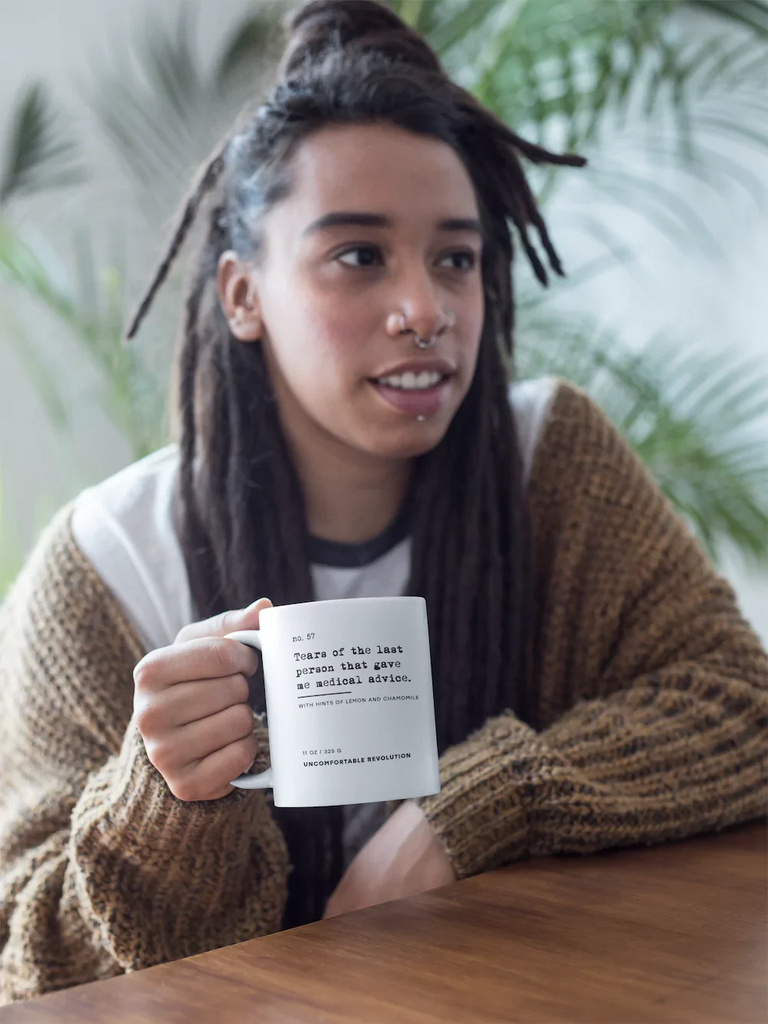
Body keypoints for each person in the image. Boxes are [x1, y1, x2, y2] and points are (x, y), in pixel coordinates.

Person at [1, 0, 766, 1005]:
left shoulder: (551, 461)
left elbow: (739, 704)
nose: (427, 309)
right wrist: (163, 796)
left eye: (456, 257)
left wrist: (471, 808)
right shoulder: (107, 562)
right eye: (359, 255)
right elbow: (30, 960)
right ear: (243, 294)